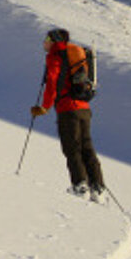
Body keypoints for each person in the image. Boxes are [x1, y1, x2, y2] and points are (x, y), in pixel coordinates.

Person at [30, 28, 106, 201]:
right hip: (84, 108)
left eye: (47, 39)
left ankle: (80, 186)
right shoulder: (77, 53)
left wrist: (44, 107)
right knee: (87, 146)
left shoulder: (56, 56)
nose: (45, 42)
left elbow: (52, 84)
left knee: (72, 148)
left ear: (54, 40)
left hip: (67, 109)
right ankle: (98, 187)